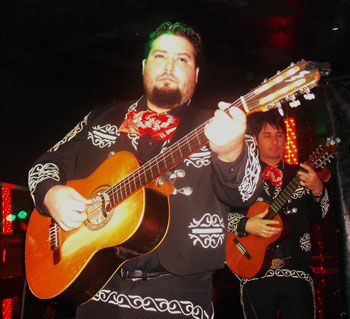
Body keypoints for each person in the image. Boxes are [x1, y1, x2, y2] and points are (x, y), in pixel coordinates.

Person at [27, 21, 263, 318]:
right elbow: (45, 164)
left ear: (196, 74)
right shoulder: (101, 118)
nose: (169, 65)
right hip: (93, 289)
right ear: (143, 66)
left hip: (179, 299)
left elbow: (245, 193)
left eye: (182, 59)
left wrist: (231, 151)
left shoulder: (222, 127)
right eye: (159, 56)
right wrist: (51, 195)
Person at [227, 110, 330, 319]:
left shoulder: (302, 174)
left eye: (280, 135)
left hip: (297, 273)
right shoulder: (241, 179)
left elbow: (322, 217)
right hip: (253, 272)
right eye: (267, 135)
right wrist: (247, 224)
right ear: (255, 140)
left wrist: (319, 190)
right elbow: (223, 219)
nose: (275, 141)